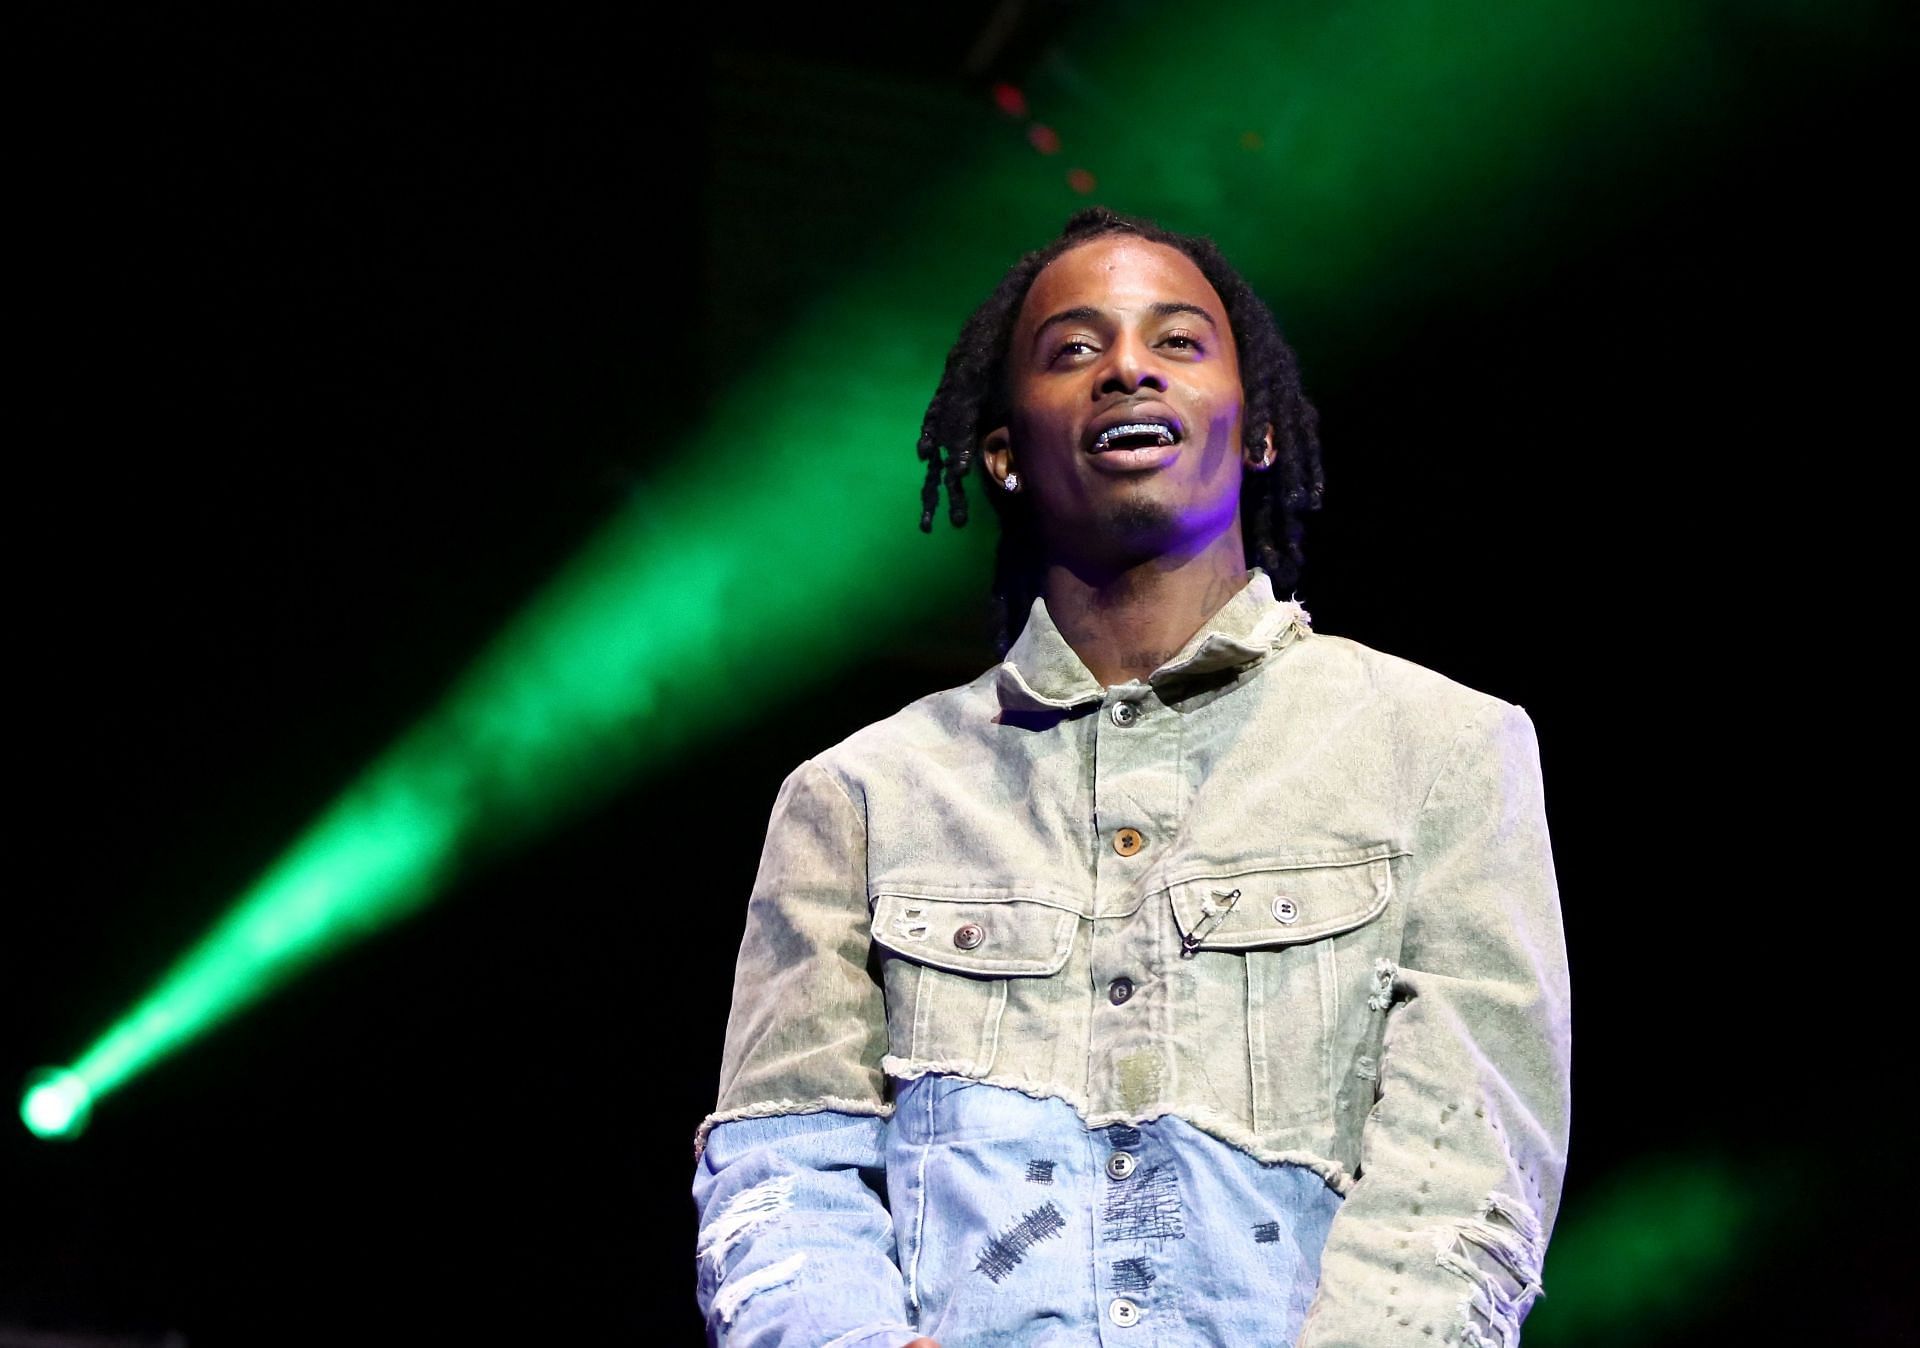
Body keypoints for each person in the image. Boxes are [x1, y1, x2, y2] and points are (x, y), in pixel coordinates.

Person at [691, 207, 1570, 1346]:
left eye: (1178, 342)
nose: (1125, 369)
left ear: (1255, 432)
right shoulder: (856, 798)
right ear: (1002, 450)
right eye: (1073, 349)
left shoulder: (1444, 749)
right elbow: (780, 1168)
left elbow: (1468, 1164)